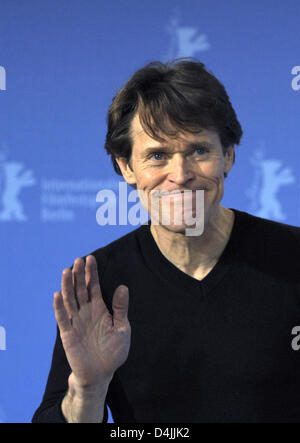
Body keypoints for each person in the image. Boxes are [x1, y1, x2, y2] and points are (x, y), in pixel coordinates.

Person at [32, 59, 300, 423]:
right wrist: (88, 389)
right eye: (158, 156)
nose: (180, 175)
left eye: (199, 151)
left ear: (229, 157)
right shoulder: (99, 282)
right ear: (127, 167)